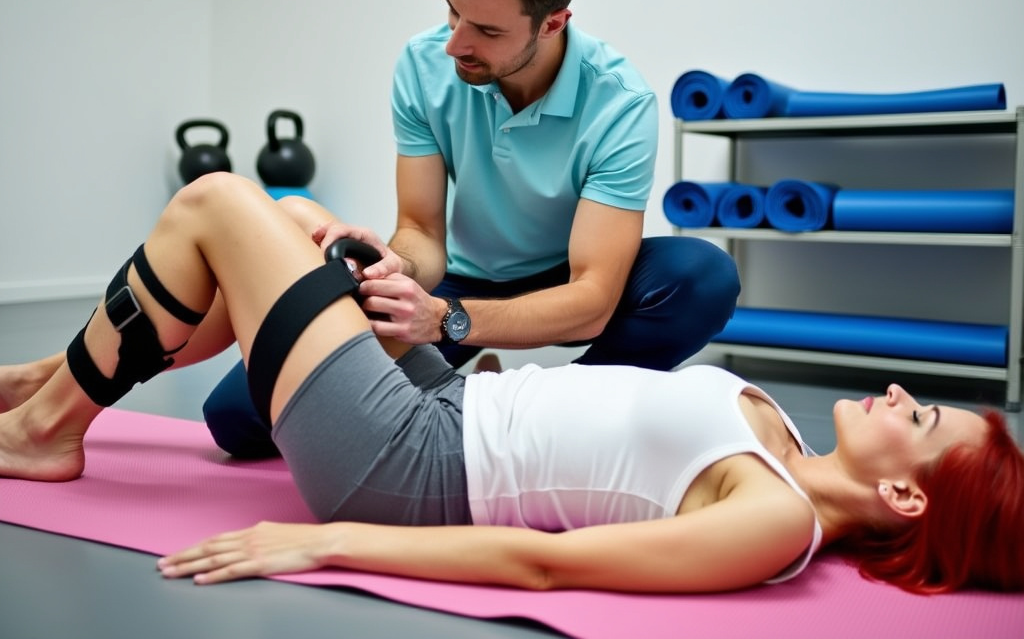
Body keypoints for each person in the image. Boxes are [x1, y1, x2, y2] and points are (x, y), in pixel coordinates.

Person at [1, 172, 1021, 595]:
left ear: (904, 495)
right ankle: (56, 373)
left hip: (404, 462)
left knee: (221, 202)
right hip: (443, 398)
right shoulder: (786, 449)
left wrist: (320, 540)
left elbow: (547, 565)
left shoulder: (772, 517)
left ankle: (49, 424)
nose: (897, 393)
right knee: (303, 212)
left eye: (919, 417)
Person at [195, 0, 740, 457]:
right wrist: (393, 262)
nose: (456, 42)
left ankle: (531, 414)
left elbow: (593, 297)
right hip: (459, 275)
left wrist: (445, 320)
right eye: (452, 10)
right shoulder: (424, 65)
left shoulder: (621, 104)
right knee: (237, 419)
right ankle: (474, 402)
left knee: (701, 277)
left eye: (487, 30)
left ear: (553, 23)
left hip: (565, 280)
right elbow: (423, 234)